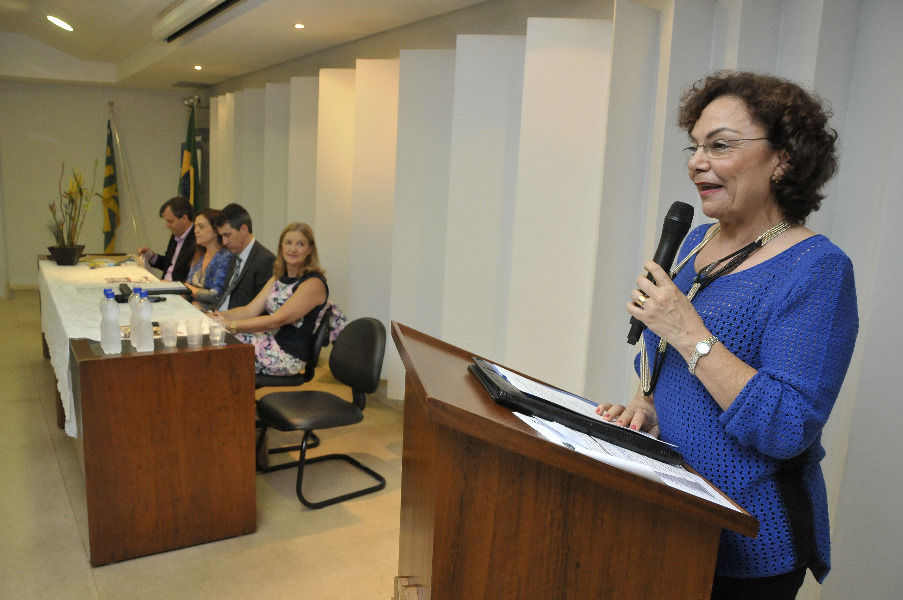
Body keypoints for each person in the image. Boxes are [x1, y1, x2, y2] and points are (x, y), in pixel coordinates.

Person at [596, 72, 858, 599]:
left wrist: (689, 331)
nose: (696, 161)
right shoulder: (696, 241)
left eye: (720, 145)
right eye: (694, 147)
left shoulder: (817, 269)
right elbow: (664, 363)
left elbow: (787, 426)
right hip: (669, 518)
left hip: (748, 542)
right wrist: (644, 405)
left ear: (782, 158)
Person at [215, 222, 328, 376]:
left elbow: (276, 320)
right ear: (281, 247)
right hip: (269, 343)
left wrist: (230, 325)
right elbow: (250, 310)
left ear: (309, 249)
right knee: (217, 343)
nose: (293, 249)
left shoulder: (313, 283)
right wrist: (215, 316)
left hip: (287, 356)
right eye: (288, 243)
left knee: (222, 348)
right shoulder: (278, 277)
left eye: (300, 244)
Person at [214, 203, 275, 310]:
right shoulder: (234, 256)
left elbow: (261, 311)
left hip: (238, 323)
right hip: (220, 317)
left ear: (244, 230)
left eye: (227, 235)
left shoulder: (266, 260)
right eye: (221, 236)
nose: (224, 242)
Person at [184, 209, 234, 311]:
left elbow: (214, 296)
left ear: (216, 231)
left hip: (213, 314)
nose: (195, 231)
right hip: (193, 309)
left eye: (201, 227)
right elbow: (187, 289)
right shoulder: (199, 257)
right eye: (195, 227)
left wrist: (188, 288)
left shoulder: (225, 257)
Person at [137, 196, 196, 281]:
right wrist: (152, 256)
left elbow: (191, 276)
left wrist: (170, 285)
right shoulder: (175, 235)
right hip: (165, 284)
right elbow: (170, 265)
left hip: (178, 289)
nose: (167, 226)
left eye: (170, 221)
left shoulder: (197, 239)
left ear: (184, 218)